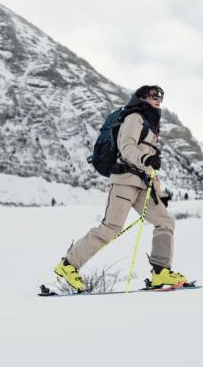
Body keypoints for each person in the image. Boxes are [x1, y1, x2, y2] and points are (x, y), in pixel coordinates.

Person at [54, 85, 186, 291]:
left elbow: (148, 164)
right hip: (124, 180)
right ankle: (68, 265)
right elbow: (126, 147)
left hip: (144, 184)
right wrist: (146, 157)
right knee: (111, 228)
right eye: (153, 95)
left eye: (161, 96)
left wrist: (158, 192)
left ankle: (161, 273)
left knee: (165, 221)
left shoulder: (151, 124)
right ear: (142, 97)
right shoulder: (134, 117)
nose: (158, 99)